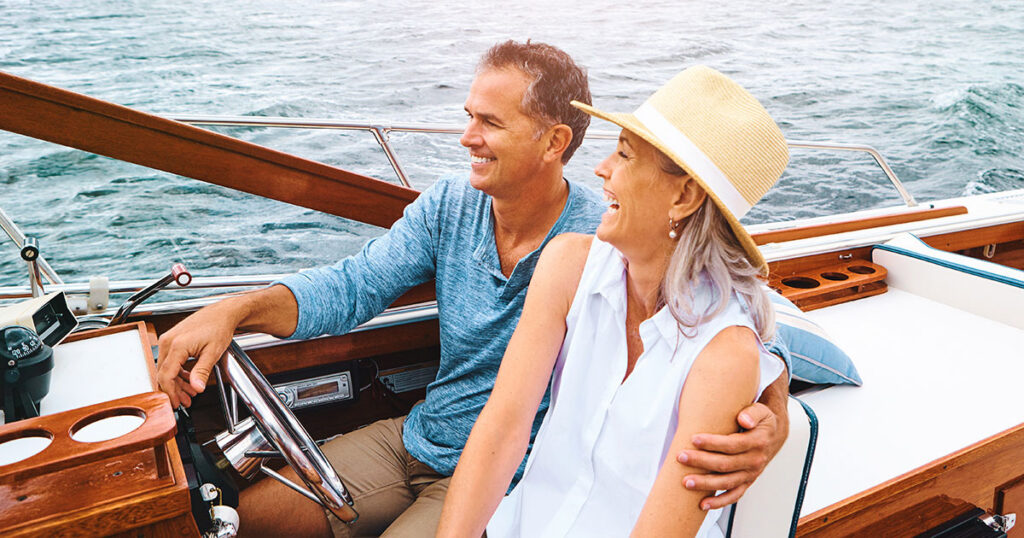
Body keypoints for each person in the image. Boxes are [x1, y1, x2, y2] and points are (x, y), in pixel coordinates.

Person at [155, 42, 789, 537]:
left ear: (553, 142)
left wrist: (771, 396)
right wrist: (236, 310)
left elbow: (743, 314)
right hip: (418, 437)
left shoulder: (606, 236)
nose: (466, 137)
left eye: (489, 122)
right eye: (468, 117)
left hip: (507, 485)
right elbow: (354, 286)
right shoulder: (468, 213)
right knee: (226, 521)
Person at [437, 65, 790, 537]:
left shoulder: (724, 356)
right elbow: (502, 429)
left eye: (624, 154)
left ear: (683, 196)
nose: (602, 167)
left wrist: (778, 401)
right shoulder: (567, 264)